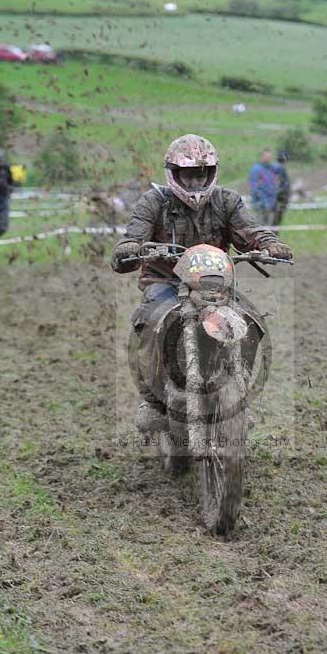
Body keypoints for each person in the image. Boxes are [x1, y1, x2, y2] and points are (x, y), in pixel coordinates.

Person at [111, 133, 292, 433]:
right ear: (174, 173)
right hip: (164, 280)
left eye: (200, 174)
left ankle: (238, 391)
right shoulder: (154, 201)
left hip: (213, 283)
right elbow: (134, 235)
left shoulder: (227, 200)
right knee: (149, 319)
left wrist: (270, 243)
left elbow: (250, 231)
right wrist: (130, 247)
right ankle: (153, 402)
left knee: (247, 322)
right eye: (188, 175)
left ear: (210, 173)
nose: (194, 182)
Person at [249, 148, 279, 225]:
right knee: (260, 227)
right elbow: (254, 188)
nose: (269, 159)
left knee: (271, 228)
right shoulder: (256, 169)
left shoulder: (272, 169)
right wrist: (264, 203)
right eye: (267, 157)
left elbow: (275, 184)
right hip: (260, 205)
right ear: (262, 157)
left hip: (272, 204)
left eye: (270, 157)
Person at [272, 151, 291, 228]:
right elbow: (282, 182)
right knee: (278, 214)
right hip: (280, 195)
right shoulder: (281, 168)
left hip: (274, 194)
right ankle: (274, 229)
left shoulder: (273, 166)